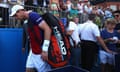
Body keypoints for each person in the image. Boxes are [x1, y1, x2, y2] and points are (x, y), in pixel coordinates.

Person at [10, 5, 51, 72]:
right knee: (28, 70)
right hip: (33, 51)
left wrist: (45, 50)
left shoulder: (33, 16)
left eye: (15, 15)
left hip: (40, 51)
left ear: (20, 11)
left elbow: (47, 29)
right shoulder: (27, 19)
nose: (15, 18)